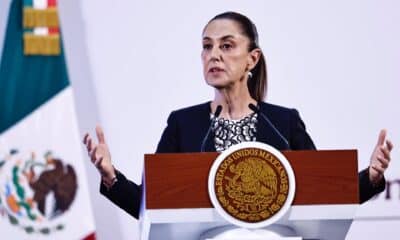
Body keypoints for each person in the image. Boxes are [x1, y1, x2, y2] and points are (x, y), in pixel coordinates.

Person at [83, 12, 393, 220]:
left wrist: (372, 177)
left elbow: (322, 197)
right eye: (207, 47)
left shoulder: (283, 123)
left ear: (252, 59)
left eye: (227, 45)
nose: (213, 54)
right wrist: (111, 177)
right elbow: (151, 208)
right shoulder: (183, 124)